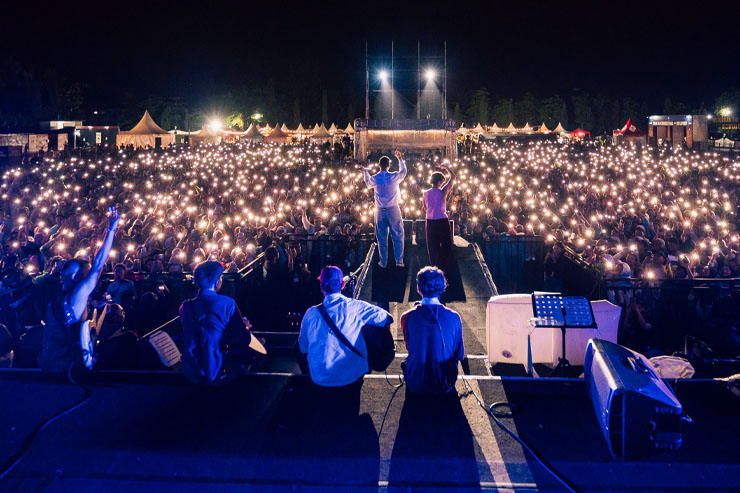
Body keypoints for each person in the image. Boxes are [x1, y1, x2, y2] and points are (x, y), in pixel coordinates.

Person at [37, 206, 120, 375]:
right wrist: (111, 230)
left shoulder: (54, 296)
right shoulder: (78, 293)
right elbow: (99, 263)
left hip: (49, 365)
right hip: (71, 368)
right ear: (76, 276)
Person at [298, 265, 392, 415]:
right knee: (350, 414)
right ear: (342, 285)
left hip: (320, 378)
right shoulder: (356, 307)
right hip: (351, 376)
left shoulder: (311, 314)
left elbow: (302, 348)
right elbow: (387, 318)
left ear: (321, 286)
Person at [179, 260, 264, 384]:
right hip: (219, 370)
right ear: (216, 282)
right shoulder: (227, 303)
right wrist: (245, 327)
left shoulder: (185, 306)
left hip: (191, 371)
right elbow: (243, 339)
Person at [400, 266, 464, 395]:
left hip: (415, 385)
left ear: (418, 288)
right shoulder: (454, 317)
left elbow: (410, 347)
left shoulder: (406, 317)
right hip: (444, 384)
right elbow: (459, 354)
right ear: (442, 288)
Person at [363, 150, 407, 268]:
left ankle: (383, 262)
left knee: (381, 237)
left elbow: (367, 183)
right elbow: (403, 172)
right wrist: (400, 159)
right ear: (389, 165)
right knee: (398, 235)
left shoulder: (375, 178)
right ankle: (399, 261)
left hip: (379, 210)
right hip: (393, 209)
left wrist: (365, 172)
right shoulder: (393, 176)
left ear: (379, 165)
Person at [423, 162, 456, 272]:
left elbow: (425, 208)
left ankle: (435, 269)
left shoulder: (425, 193)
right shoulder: (443, 192)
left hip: (430, 222)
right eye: (442, 181)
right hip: (442, 221)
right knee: (447, 245)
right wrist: (445, 167)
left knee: (432, 248)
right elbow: (453, 177)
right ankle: (442, 268)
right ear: (439, 181)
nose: (442, 183)